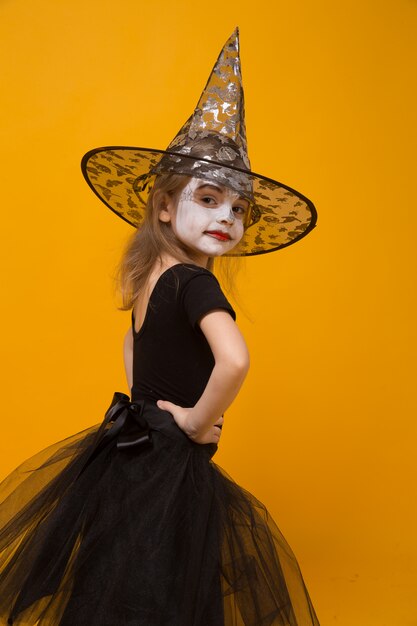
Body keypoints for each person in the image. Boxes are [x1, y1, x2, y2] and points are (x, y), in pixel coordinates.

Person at [0, 29, 320, 625]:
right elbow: (236, 360)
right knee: (164, 586)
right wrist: (196, 422)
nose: (226, 217)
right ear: (165, 206)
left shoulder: (153, 276)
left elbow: (133, 341)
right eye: (208, 198)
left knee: (118, 579)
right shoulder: (195, 283)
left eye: (238, 208)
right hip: (169, 462)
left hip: (128, 453)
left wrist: (152, 405)